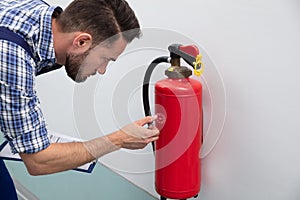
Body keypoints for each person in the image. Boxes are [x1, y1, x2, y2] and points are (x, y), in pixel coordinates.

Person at [0, 0, 159, 198]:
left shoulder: (43, 20)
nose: (102, 70)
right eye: (105, 59)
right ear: (81, 41)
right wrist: (119, 139)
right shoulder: (11, 56)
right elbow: (38, 160)